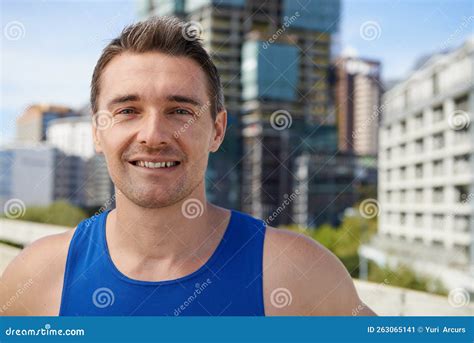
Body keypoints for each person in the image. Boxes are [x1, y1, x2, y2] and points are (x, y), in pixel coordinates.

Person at [0, 16, 375, 316]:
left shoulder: (298, 275)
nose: (153, 135)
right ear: (98, 132)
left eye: (180, 111)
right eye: (127, 111)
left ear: (216, 130)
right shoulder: (37, 276)